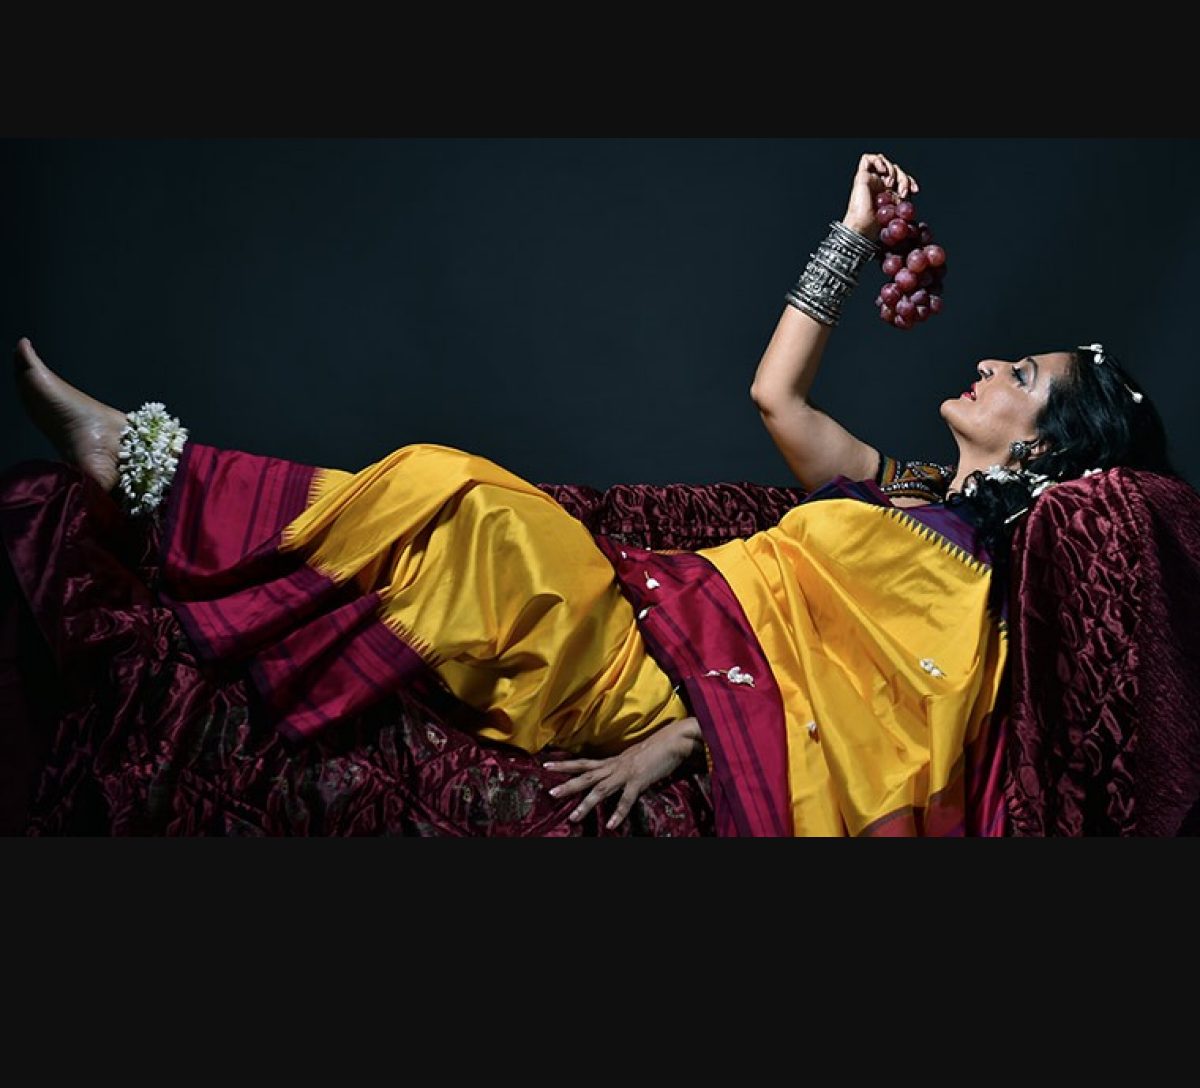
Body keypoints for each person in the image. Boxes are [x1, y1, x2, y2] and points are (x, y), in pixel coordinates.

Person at [11, 153, 1181, 838]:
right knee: (449, 485)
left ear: (1051, 446)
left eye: (1024, 378)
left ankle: (145, 468)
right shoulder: (900, 491)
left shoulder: (969, 588)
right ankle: (151, 479)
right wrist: (849, 232)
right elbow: (776, 397)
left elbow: (862, 738)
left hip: (658, 678)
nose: (990, 365)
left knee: (460, 498)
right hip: (644, 608)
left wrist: (682, 739)